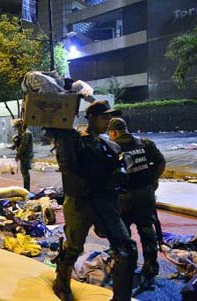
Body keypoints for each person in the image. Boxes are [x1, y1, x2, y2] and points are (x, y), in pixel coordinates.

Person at [53, 101, 137, 301]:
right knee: (73, 249)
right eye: (103, 117)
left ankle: (120, 297)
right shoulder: (74, 140)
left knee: (126, 250)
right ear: (90, 117)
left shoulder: (110, 144)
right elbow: (68, 166)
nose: (107, 121)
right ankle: (61, 283)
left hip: (106, 202)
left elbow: (120, 169)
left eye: (109, 117)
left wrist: (120, 174)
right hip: (81, 202)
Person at [108, 117, 166, 288]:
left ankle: (126, 268)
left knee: (122, 235)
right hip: (145, 195)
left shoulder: (111, 148)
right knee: (147, 232)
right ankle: (150, 268)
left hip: (124, 199)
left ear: (114, 132)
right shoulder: (145, 144)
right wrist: (153, 182)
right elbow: (161, 162)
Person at [12, 119, 34, 191]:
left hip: (26, 155)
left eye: (17, 127)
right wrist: (13, 146)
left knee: (25, 172)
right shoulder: (22, 133)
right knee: (24, 172)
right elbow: (19, 142)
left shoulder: (26, 133)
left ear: (20, 126)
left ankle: (27, 189)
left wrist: (17, 156)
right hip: (23, 155)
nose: (16, 129)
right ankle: (26, 188)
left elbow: (23, 146)